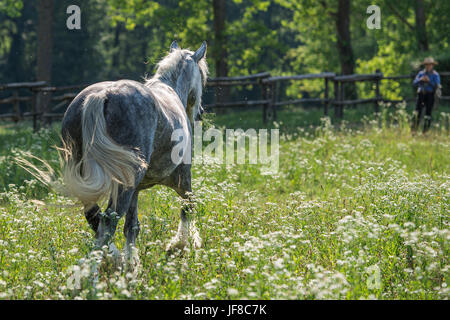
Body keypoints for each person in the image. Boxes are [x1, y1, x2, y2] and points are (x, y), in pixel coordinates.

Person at [412, 57, 441, 132]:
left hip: (430, 95)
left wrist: (429, 82)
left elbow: (437, 86)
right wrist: (420, 80)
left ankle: (425, 131)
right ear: (425, 65)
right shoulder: (421, 73)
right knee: (417, 112)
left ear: (432, 65)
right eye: (427, 65)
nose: (428, 66)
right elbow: (414, 83)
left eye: (430, 65)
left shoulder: (435, 75)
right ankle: (414, 130)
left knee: (428, 113)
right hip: (421, 94)